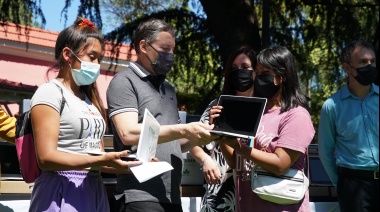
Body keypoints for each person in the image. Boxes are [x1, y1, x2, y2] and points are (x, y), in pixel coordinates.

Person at [28, 17, 142, 212]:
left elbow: (96, 158)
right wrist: (100, 160)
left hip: (93, 188)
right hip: (61, 189)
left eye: (99, 58)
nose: (97, 64)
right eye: (92, 56)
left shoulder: (90, 100)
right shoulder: (49, 93)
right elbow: (46, 158)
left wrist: (129, 164)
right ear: (67, 54)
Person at [106, 18, 219, 212]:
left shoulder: (168, 89)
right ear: (143, 46)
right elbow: (128, 133)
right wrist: (184, 128)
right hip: (139, 196)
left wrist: (200, 136)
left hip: (172, 196)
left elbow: (174, 142)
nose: (170, 55)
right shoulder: (124, 82)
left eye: (173, 50)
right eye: (165, 49)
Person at [216, 46, 315, 212]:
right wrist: (221, 131)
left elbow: (280, 164)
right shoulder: (253, 110)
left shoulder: (296, 115)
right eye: (257, 72)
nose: (258, 78)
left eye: (265, 73)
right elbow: (235, 161)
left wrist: (238, 146)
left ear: (281, 76)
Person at [189, 45, 257, 212]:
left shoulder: (265, 109)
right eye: (234, 68)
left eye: (245, 67)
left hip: (255, 192)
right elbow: (193, 142)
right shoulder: (216, 105)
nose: (239, 72)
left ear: (256, 71)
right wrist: (206, 160)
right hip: (218, 194)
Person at [318, 40, 379, 212]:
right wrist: (341, 185)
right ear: (347, 67)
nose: (369, 66)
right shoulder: (332, 106)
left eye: (372, 61)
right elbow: (325, 152)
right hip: (354, 186)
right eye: (362, 62)